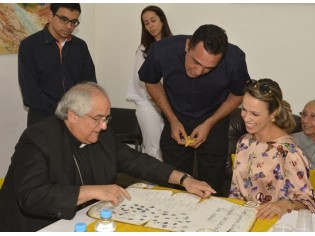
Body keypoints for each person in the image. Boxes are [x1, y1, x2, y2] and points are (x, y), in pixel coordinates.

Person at [0, 82, 215, 232]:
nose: (104, 126)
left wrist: (184, 179)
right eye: (98, 118)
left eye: (106, 118)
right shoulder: (37, 139)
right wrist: (94, 191)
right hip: (34, 227)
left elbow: (137, 161)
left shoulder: (102, 135)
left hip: (83, 221)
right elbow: (31, 197)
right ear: (72, 115)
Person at [138, 24, 250, 195]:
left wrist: (210, 123)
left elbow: (238, 95)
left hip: (214, 120)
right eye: (195, 62)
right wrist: (172, 119)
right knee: (175, 182)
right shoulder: (162, 50)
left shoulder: (234, 59)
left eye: (208, 68)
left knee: (212, 184)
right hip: (176, 117)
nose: (199, 71)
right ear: (187, 45)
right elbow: (151, 81)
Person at [229, 78, 315, 220]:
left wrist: (286, 204)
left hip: (276, 224)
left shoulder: (288, 150)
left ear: (273, 113)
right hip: (243, 220)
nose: (246, 118)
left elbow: (310, 204)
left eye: (255, 114)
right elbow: (235, 191)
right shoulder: (243, 142)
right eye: (244, 110)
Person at [18, 3, 97, 127]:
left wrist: (78, 112)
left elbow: (89, 84)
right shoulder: (29, 45)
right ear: (50, 15)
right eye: (64, 20)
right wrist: (62, 113)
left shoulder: (80, 46)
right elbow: (30, 93)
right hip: (42, 121)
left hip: (75, 120)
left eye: (74, 22)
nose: (69, 26)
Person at [126, 5, 173, 161]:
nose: (150, 26)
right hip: (147, 105)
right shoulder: (143, 50)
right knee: (152, 149)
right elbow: (141, 81)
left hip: (171, 106)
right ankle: (152, 184)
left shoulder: (174, 45)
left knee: (168, 149)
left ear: (162, 20)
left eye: (153, 20)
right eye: (146, 23)